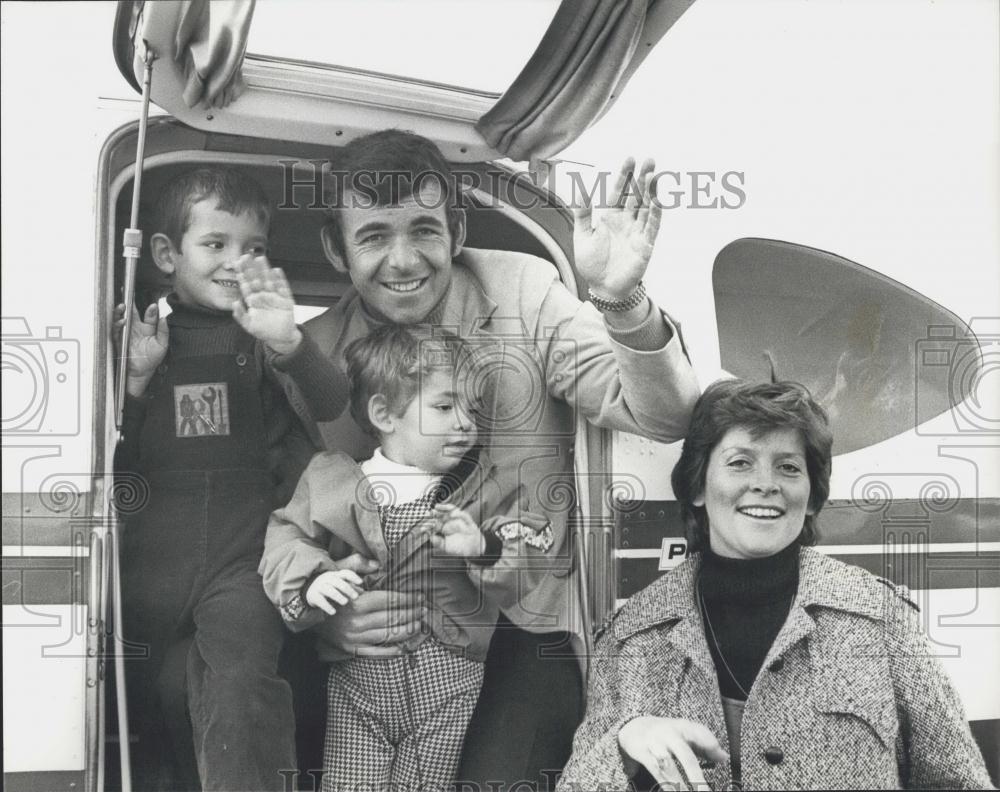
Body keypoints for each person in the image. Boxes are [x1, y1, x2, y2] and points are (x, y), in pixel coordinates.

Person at [300, 129, 700, 789]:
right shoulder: (312, 357)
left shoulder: (523, 290)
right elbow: (287, 522)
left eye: (423, 230)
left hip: (523, 621)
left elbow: (664, 414)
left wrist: (623, 301)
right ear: (334, 248)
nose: (403, 260)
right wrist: (325, 619)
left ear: (456, 230)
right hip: (382, 633)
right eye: (373, 236)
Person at [557, 379, 995, 791]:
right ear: (697, 487)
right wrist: (624, 743)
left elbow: (960, 782)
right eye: (740, 462)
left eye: (788, 467)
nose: (766, 484)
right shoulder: (631, 636)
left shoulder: (879, 618)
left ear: (811, 496)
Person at [114, 167, 350, 791]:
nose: (235, 261)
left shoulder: (263, 335)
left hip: (243, 562)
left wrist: (289, 341)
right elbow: (119, 463)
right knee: (164, 701)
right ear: (166, 254)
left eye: (253, 248)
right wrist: (136, 381)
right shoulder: (147, 340)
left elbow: (329, 403)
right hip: (152, 569)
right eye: (215, 244)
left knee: (245, 686)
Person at [260, 325, 554, 792]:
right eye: (444, 406)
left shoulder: (484, 491)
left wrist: (483, 548)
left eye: (471, 409)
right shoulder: (334, 482)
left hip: (449, 684)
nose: (464, 422)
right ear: (384, 414)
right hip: (359, 686)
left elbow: (532, 553)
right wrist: (312, 579)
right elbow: (285, 538)